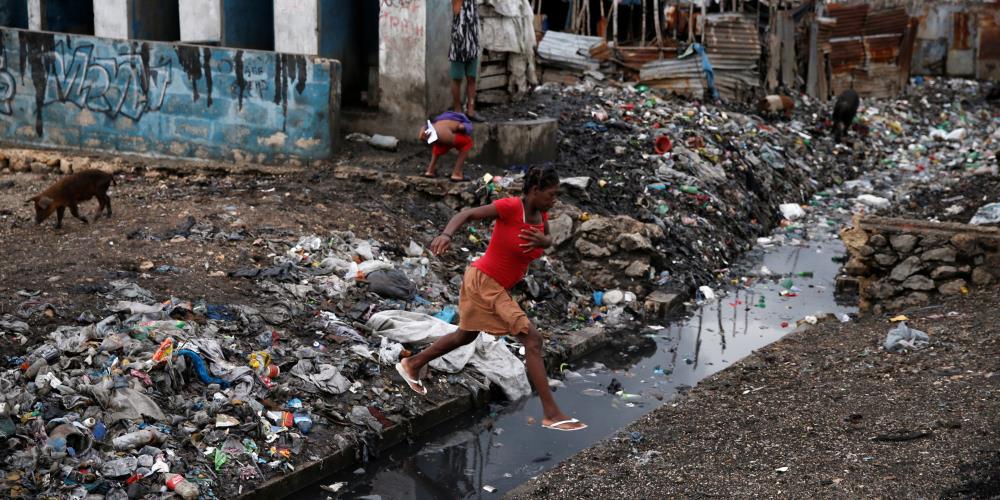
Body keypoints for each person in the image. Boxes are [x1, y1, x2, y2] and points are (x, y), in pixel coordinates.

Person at [396, 166, 588, 432]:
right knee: (532, 340)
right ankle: (551, 413)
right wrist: (446, 235)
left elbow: (546, 240)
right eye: (551, 194)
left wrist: (543, 239)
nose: (555, 200)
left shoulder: (540, 212)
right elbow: (467, 213)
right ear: (535, 191)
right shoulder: (510, 207)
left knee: (466, 335)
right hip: (485, 282)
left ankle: (412, 364)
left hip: (495, 285)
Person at [450, 0, 484, 122]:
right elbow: (456, 10)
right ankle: (457, 110)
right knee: (457, 78)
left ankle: (470, 110)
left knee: (471, 77)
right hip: (459, 41)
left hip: (472, 41)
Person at [419, 111, 474, 182]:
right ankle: (456, 173)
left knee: (439, 144)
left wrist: (423, 130)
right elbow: (461, 127)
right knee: (467, 142)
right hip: (446, 133)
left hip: (433, 131)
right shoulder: (461, 119)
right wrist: (464, 129)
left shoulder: (440, 120)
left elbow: (426, 126)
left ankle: (430, 170)